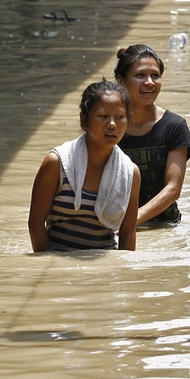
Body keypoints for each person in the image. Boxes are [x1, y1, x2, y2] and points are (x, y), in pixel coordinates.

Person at [28, 80, 141, 252]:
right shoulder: (57, 163)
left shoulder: (130, 172)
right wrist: (47, 266)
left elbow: (127, 233)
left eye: (119, 117)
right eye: (103, 116)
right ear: (84, 120)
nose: (112, 124)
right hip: (58, 260)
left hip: (105, 261)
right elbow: (35, 223)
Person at [113, 45, 190, 226]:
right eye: (140, 75)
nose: (149, 82)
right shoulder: (110, 126)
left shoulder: (174, 126)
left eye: (155, 75)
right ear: (121, 81)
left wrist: (132, 221)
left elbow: (173, 189)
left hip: (164, 225)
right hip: (114, 222)